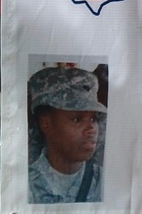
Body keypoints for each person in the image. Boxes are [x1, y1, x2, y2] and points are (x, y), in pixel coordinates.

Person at [28, 64, 106, 204]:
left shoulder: (105, 180)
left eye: (94, 119)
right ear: (46, 123)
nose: (91, 129)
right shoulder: (26, 183)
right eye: (77, 119)